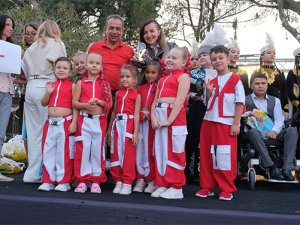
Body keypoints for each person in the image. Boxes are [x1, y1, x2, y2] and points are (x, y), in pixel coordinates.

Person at [195, 45, 245, 201]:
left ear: (228, 58)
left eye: (221, 58)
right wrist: (208, 92)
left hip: (225, 124)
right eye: (214, 59)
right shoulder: (211, 80)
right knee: (206, 155)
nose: (217, 61)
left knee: (223, 156)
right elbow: (207, 103)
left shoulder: (235, 78)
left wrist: (236, 123)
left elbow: (240, 102)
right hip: (208, 122)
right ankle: (207, 186)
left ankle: (226, 188)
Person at [22, 20, 67, 183]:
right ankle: (46, 173)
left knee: (33, 133)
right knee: (47, 132)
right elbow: (61, 65)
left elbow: (24, 70)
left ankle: (31, 174)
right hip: (46, 85)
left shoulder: (33, 47)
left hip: (30, 87)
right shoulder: (56, 43)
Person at [150, 47, 190, 199]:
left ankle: (176, 186)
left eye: (174, 58)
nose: (170, 60)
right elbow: (154, 102)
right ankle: (163, 183)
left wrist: (169, 120)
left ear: (184, 62)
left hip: (173, 117)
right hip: (160, 116)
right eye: (168, 57)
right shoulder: (162, 79)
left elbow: (179, 101)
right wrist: (153, 117)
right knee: (160, 151)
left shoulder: (183, 77)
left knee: (175, 151)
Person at [244, 73, 298, 181]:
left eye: (263, 83)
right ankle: (272, 167)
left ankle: (287, 168)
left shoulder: (275, 100)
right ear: (251, 86)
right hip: (255, 136)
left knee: (292, 130)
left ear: (267, 86)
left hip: (272, 134)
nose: (260, 86)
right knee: (253, 132)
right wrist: (250, 113)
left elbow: (279, 119)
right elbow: (236, 115)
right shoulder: (245, 100)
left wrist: (274, 131)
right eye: (257, 84)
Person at [72, 52, 112, 194]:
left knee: (97, 151)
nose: (94, 65)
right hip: (84, 121)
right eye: (91, 62)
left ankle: (96, 181)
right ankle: (82, 180)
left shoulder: (105, 84)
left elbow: (109, 105)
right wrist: (85, 106)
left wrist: (100, 102)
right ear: (86, 65)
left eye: (97, 63)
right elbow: (74, 103)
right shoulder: (81, 83)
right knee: (83, 150)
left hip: (99, 122)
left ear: (102, 67)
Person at [38, 57, 77, 192]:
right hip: (50, 123)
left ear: (70, 72)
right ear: (54, 69)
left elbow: (75, 106)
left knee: (64, 152)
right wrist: (48, 93)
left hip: (65, 123)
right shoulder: (50, 85)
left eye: (65, 68)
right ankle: (48, 180)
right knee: (48, 151)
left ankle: (64, 181)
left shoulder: (72, 86)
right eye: (59, 67)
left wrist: (74, 122)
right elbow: (43, 103)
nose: (61, 70)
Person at [185, 40, 217, 184]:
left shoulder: (220, 74)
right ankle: (190, 171)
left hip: (213, 111)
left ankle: (205, 172)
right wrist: (193, 96)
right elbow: (185, 94)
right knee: (192, 139)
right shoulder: (192, 74)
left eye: (205, 55)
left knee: (208, 141)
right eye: (199, 56)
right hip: (195, 110)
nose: (202, 58)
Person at [108, 64, 141, 195]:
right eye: (122, 76)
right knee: (116, 152)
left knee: (128, 154)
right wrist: (110, 128)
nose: (124, 79)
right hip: (118, 124)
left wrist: (135, 132)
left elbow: (137, 113)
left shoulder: (136, 95)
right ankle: (118, 180)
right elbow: (115, 111)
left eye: (128, 76)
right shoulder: (118, 94)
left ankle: (127, 182)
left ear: (135, 79)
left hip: (129, 124)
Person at [133, 60, 161, 193]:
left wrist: (149, 116)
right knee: (139, 148)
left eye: (153, 73)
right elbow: (135, 105)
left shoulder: (158, 88)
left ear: (158, 74)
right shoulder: (140, 88)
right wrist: (139, 114)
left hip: (151, 124)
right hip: (140, 122)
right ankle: (140, 177)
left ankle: (151, 178)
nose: (150, 75)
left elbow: (158, 107)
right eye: (148, 72)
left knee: (150, 150)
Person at [87, 14, 134, 92]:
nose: (114, 32)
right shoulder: (94, 47)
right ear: (105, 29)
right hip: (97, 93)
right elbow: (87, 69)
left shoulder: (129, 51)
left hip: (120, 94)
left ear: (122, 31)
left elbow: (132, 75)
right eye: (111, 28)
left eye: (118, 29)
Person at [251, 34, 288, 113]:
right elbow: (252, 91)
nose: (272, 55)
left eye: (274, 53)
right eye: (269, 53)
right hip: (260, 106)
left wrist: (285, 110)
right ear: (262, 56)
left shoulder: (280, 72)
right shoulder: (256, 72)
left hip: (277, 105)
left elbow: (284, 91)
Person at [0, 15, 17, 182]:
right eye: (7, 25)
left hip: (7, 92)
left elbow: (9, 73)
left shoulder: (12, 47)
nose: (11, 28)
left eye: (12, 25)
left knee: (1, 133)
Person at [286, 47, 300, 116]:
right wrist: (297, 104)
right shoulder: (292, 72)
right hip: (298, 106)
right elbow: (289, 91)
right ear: (298, 59)